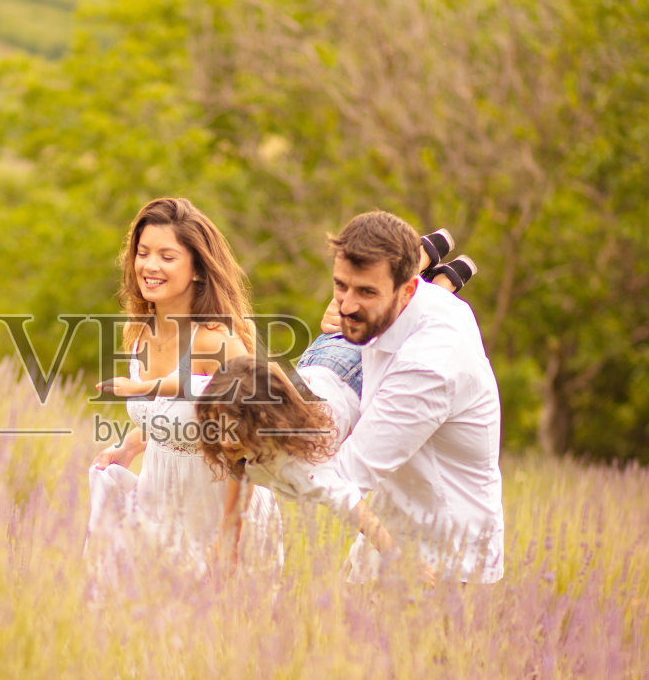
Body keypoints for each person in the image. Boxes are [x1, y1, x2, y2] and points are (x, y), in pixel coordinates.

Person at [202, 212, 503, 584]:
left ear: (408, 291)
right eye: (340, 286)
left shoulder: (429, 367)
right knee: (334, 339)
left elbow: (346, 477)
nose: (343, 305)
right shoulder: (380, 316)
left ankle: (432, 271)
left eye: (366, 291)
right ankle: (424, 260)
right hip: (390, 518)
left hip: (443, 558)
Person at [85, 197, 283, 579]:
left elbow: (247, 445)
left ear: (196, 269)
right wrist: (129, 446)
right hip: (157, 503)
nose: (150, 266)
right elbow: (177, 415)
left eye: (167, 256)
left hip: (216, 512)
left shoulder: (215, 341)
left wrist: (229, 534)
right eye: (143, 253)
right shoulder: (141, 333)